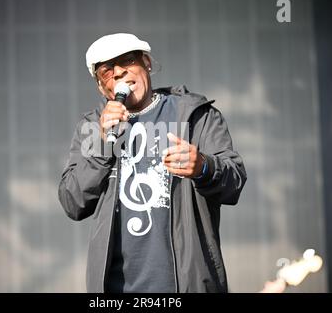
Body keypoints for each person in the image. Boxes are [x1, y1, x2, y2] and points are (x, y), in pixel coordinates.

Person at [58, 33, 247, 293]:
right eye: (107, 71)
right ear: (102, 88)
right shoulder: (93, 127)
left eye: (127, 61)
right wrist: (102, 145)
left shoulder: (196, 116)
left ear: (146, 62)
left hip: (186, 286)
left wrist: (203, 166)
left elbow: (234, 181)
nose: (119, 73)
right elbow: (73, 201)